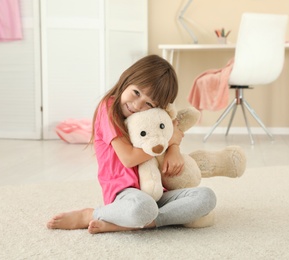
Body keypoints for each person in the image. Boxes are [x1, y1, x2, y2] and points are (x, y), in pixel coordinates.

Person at [47, 54, 216, 234]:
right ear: (127, 78)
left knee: (206, 197)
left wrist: (174, 148)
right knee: (143, 207)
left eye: (149, 103)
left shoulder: (152, 117)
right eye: (136, 92)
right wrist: (168, 140)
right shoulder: (109, 108)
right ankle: (91, 214)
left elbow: (168, 134)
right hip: (126, 194)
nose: (136, 105)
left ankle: (143, 222)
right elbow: (128, 159)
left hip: (158, 191)